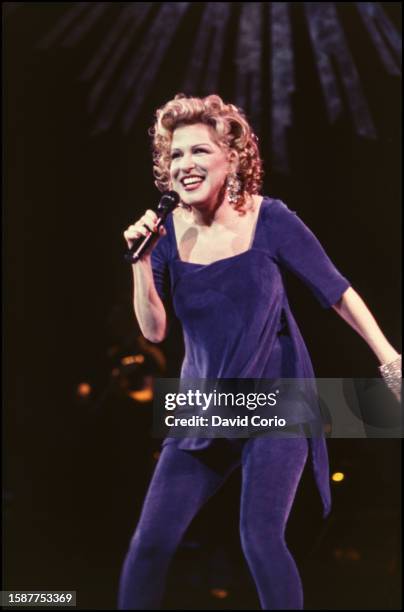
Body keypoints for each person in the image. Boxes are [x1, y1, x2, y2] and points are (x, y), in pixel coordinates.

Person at [118, 94, 401, 610]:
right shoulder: (163, 238)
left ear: (232, 156)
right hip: (202, 403)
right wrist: (138, 263)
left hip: (277, 396)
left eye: (199, 151)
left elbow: (336, 291)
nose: (186, 165)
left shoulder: (269, 219)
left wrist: (390, 359)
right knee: (149, 544)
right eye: (176, 155)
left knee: (261, 539)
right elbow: (155, 332)